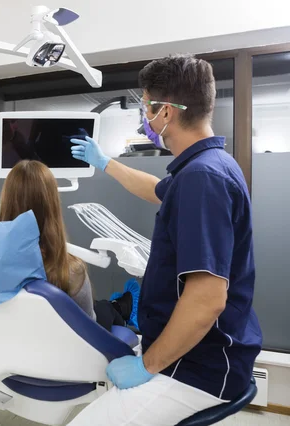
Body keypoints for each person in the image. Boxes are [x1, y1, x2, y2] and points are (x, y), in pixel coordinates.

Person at [68, 54, 262, 425]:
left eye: (145, 107)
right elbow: (159, 190)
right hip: (194, 352)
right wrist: (104, 162)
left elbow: (206, 300)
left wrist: (147, 365)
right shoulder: (209, 165)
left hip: (196, 368)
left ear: (167, 113)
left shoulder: (202, 179)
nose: (145, 118)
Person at [0, 159, 137, 330]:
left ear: (6, 202)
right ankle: (121, 307)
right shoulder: (70, 271)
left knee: (99, 306)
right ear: (52, 206)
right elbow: (89, 329)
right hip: (64, 349)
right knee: (103, 310)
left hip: (12, 347)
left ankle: (116, 306)